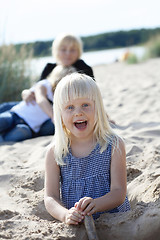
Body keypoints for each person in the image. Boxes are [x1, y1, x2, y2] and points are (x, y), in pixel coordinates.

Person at [44, 73, 130, 225]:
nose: (78, 112)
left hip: (114, 220)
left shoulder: (114, 144)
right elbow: (50, 197)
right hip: (78, 222)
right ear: (60, 113)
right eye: (70, 107)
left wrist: (96, 204)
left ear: (98, 107)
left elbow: (119, 192)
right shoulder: (55, 152)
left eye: (85, 105)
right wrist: (65, 214)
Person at [0, 33, 94, 137]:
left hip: (54, 112)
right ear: (56, 50)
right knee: (5, 108)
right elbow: (38, 91)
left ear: (79, 52)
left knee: (29, 129)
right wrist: (26, 92)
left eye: (72, 50)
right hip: (35, 107)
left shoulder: (83, 69)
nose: (68, 53)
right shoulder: (50, 68)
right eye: (63, 49)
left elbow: (91, 96)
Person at [0, 66, 75, 142]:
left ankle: (2, 138)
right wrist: (53, 116)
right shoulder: (44, 85)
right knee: (5, 120)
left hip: (29, 127)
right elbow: (41, 100)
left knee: (22, 132)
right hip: (15, 115)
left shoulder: (64, 99)